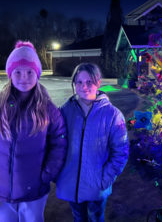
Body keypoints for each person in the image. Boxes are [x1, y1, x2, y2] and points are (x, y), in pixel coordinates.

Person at [0, 41, 67, 221]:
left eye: (30, 71)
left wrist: (47, 174)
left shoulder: (48, 110)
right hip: (1, 196)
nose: (24, 77)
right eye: (18, 72)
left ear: (37, 74)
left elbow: (59, 142)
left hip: (34, 195)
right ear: (10, 75)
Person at [56, 63, 129, 222]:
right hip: (71, 184)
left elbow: (121, 152)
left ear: (98, 83)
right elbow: (55, 145)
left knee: (95, 219)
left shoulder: (113, 115)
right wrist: (58, 173)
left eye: (89, 82)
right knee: (78, 218)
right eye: (79, 82)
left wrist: (105, 178)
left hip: (96, 186)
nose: (84, 87)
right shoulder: (64, 111)